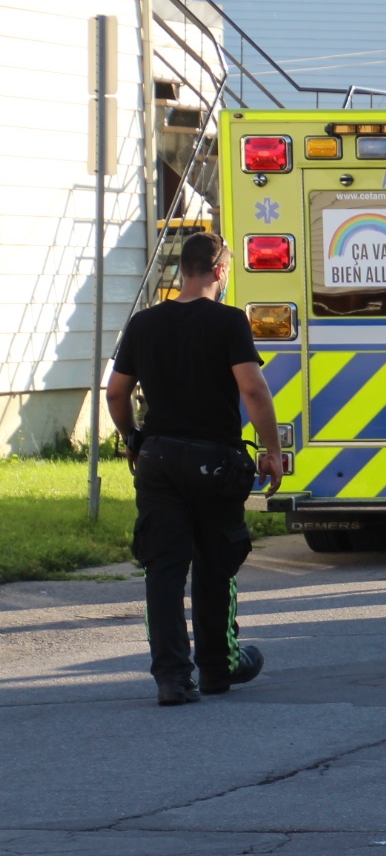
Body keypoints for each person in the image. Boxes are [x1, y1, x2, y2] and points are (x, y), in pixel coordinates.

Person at [105, 232, 285, 706]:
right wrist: (271, 450)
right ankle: (218, 666)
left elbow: (116, 393)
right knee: (215, 563)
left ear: (182, 270)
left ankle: (172, 677)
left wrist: (132, 439)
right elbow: (253, 389)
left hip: (159, 459)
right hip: (214, 462)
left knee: (163, 569)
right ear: (220, 272)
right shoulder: (228, 321)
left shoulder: (144, 323)